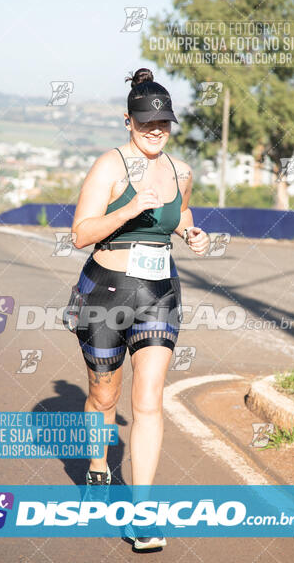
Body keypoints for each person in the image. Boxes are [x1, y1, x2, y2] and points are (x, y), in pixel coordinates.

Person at [71, 68, 210, 550]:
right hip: (104, 292)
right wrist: (127, 211)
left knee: (148, 399)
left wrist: (190, 232)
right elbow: (81, 233)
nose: (155, 131)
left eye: (163, 124)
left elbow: (181, 212)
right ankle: (96, 466)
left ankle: (143, 511)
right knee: (104, 396)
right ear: (127, 121)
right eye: (146, 123)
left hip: (159, 293)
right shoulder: (109, 166)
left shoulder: (180, 171)